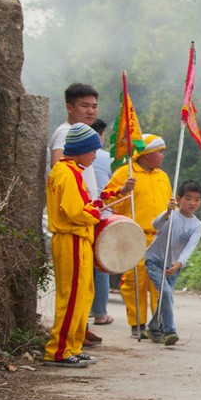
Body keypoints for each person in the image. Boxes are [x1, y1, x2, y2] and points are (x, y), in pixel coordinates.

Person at [48, 83, 105, 346]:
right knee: (71, 296)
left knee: (81, 293)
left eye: (94, 105)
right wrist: (95, 211)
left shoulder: (73, 167)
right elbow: (72, 209)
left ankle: (72, 344)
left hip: (78, 235)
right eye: (85, 105)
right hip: (70, 234)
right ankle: (60, 349)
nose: (91, 110)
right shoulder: (66, 166)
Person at [104, 134, 172, 337]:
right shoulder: (126, 173)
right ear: (147, 154)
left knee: (159, 284)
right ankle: (137, 323)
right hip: (134, 237)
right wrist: (124, 190)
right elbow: (108, 200)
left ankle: (157, 323)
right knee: (135, 282)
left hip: (159, 238)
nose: (162, 155)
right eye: (159, 151)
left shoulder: (163, 176)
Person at [145, 180, 201, 346]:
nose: (192, 202)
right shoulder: (171, 214)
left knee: (165, 297)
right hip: (155, 261)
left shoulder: (197, 225)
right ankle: (170, 331)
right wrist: (166, 213)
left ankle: (154, 327)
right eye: (188, 198)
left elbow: (189, 248)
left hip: (173, 266)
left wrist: (179, 263)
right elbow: (155, 225)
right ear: (178, 199)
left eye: (197, 199)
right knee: (166, 293)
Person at [89, 119, 115, 326]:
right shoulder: (107, 158)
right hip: (104, 218)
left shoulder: (68, 158)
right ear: (100, 135)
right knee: (101, 266)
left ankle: (84, 313)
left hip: (82, 217)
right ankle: (100, 314)